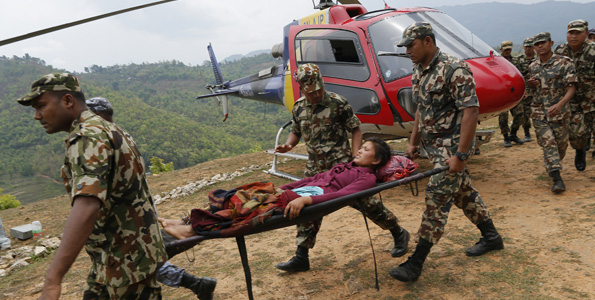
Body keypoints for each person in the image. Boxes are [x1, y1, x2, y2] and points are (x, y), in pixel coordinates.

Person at [17, 73, 167, 300]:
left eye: (41, 106)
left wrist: (52, 280)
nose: (37, 116)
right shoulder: (105, 127)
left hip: (125, 263)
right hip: (116, 257)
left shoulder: (88, 137)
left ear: (68, 101)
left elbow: (87, 205)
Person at [389, 22, 504, 282]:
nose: (407, 50)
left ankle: (415, 262)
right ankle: (492, 237)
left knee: (436, 199)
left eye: (411, 45)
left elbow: (470, 111)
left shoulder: (454, 69)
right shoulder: (418, 70)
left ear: (428, 41)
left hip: (452, 147)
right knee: (464, 193)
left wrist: (461, 155)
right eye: (405, 46)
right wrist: (414, 141)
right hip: (434, 147)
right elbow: (420, 108)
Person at [273, 63, 410, 272]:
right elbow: (296, 132)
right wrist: (288, 145)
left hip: (342, 166)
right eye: (311, 92)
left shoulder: (338, 103)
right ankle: (302, 255)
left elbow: (355, 129)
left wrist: (355, 155)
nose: (317, 94)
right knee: (306, 210)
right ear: (301, 87)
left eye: (319, 89)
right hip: (315, 168)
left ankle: (398, 232)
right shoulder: (299, 107)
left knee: (366, 203)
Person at [86, 97, 217, 300]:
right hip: (135, 220)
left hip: (127, 225)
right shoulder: (122, 137)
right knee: (137, 264)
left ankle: (198, 283)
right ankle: (198, 284)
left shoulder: (103, 143)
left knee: (141, 263)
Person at [159, 137, 392, 238]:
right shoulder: (345, 166)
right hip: (294, 193)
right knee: (244, 193)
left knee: (249, 206)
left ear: (376, 161)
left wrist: (304, 200)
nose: (359, 150)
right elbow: (310, 180)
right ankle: (189, 220)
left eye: (366, 150)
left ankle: (191, 229)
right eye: (362, 147)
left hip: (302, 200)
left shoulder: (367, 179)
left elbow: (340, 196)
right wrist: (280, 187)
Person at [529, 32, 577, 193]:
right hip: (539, 112)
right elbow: (532, 89)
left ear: (551, 43)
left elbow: (572, 89)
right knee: (549, 143)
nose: (540, 46)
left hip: (560, 113)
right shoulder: (533, 66)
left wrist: (560, 104)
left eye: (543, 43)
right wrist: (532, 84)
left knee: (561, 145)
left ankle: (553, 163)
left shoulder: (565, 63)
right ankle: (557, 178)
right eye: (536, 44)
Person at [554, 19, 595, 171]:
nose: (574, 36)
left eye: (578, 33)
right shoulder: (560, 52)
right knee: (577, 136)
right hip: (574, 102)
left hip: (593, 100)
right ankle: (580, 151)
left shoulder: (593, 51)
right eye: (571, 33)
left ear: (586, 34)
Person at [498, 40, 525, 147]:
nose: (507, 51)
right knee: (503, 117)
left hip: (514, 92)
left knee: (520, 114)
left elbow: (521, 75)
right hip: (502, 93)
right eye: (505, 50)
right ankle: (506, 138)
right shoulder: (496, 62)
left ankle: (513, 134)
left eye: (509, 49)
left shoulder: (516, 61)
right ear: (501, 50)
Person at [512, 37, 537, 142]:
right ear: (523, 47)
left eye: (530, 46)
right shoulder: (519, 59)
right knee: (526, 113)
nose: (528, 49)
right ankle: (527, 132)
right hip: (526, 91)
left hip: (537, 90)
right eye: (527, 46)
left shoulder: (539, 59)